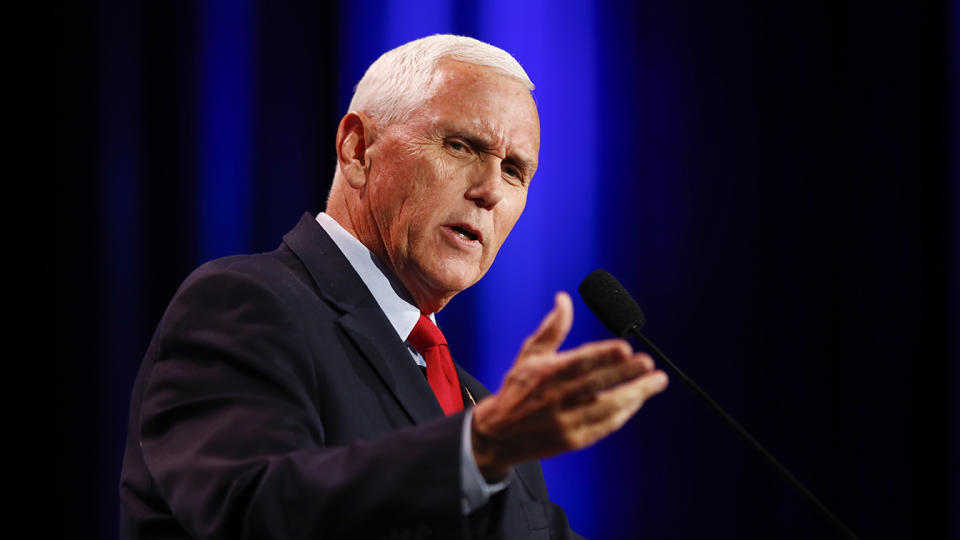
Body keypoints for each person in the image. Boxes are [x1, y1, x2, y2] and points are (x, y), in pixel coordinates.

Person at [119, 34, 669, 539]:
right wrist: (477, 450)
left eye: (514, 171)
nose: (490, 191)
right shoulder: (246, 303)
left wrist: (488, 444)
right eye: (460, 146)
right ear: (358, 150)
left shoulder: (483, 404)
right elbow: (253, 512)